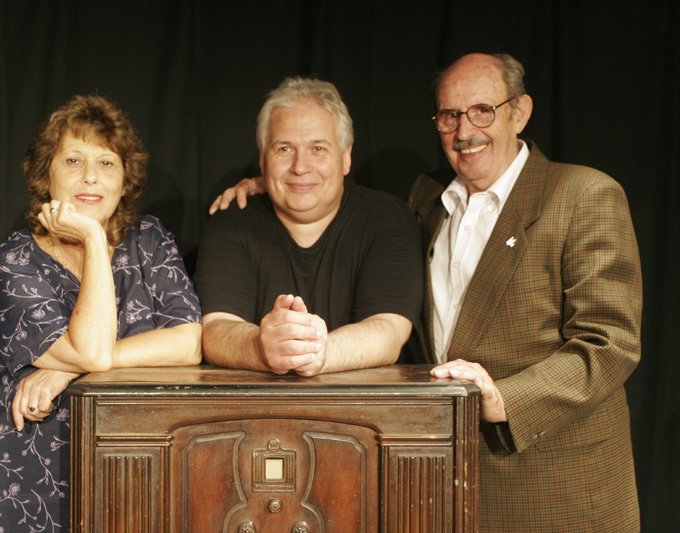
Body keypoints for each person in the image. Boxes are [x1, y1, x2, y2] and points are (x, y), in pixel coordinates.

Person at [209, 54, 642, 532]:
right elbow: (317, 190)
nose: (464, 131)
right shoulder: (427, 199)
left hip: (554, 485)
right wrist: (271, 185)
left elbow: (610, 344)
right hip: (443, 481)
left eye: (482, 111)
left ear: (520, 112)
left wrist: (505, 399)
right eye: (449, 116)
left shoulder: (583, 195)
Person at [0, 95, 202, 532]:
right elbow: (92, 352)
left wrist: (66, 371)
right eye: (73, 160)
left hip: (134, 466)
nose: (91, 176)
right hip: (30, 478)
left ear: (125, 180)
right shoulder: (12, 264)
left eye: (106, 163)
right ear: (44, 175)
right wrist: (93, 237)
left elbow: (189, 342)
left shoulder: (148, 240)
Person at [196, 76, 422, 377]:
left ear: (346, 157)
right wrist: (261, 347)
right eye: (284, 149)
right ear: (263, 161)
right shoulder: (231, 222)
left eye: (318, 148)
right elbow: (216, 330)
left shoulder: (386, 218)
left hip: (364, 403)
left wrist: (318, 352)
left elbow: (389, 330)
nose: (300, 167)